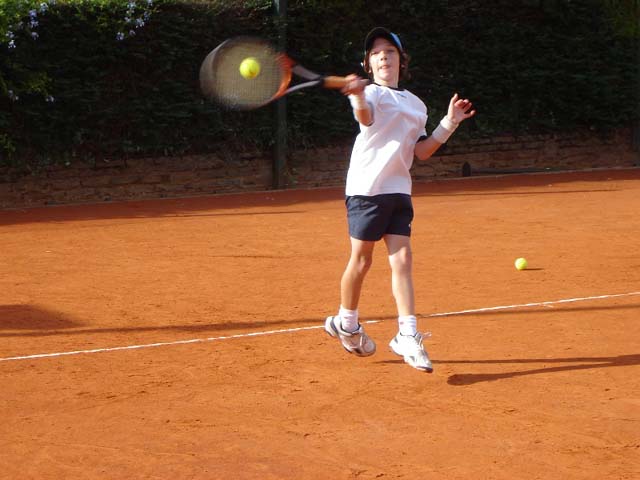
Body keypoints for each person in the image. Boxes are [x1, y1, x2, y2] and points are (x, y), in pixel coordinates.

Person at [324, 27, 476, 372]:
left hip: (398, 189)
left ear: (400, 60)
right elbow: (366, 119)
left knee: (402, 260)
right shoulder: (371, 95)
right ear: (369, 64)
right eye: (376, 54)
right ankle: (347, 323)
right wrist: (358, 97)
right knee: (361, 261)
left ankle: (407, 334)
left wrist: (449, 123)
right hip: (366, 188)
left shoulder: (416, 104)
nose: (383, 58)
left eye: (389, 52)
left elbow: (421, 152)